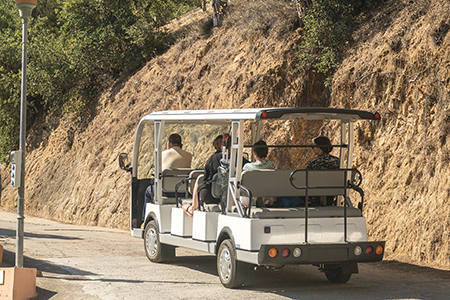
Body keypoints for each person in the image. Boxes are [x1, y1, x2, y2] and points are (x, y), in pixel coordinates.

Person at [142, 133, 192, 223]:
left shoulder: (163, 154)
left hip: (166, 192)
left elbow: (158, 172)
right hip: (183, 192)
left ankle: (144, 220)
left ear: (169, 143)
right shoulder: (188, 155)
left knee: (149, 190)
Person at [183, 134, 224, 217]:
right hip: (230, 195)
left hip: (212, 196)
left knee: (200, 178)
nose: (215, 148)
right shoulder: (238, 158)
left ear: (220, 144)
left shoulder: (214, 158)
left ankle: (194, 207)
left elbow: (206, 177)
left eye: (215, 145)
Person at [242, 140, 276, 207]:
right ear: (267, 152)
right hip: (268, 198)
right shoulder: (272, 165)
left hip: (251, 200)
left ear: (254, 153)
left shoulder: (247, 167)